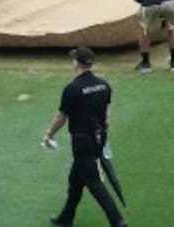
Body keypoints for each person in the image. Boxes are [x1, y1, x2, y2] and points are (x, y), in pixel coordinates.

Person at [43, 47, 127, 227]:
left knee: (94, 182)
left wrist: (49, 134)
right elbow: (106, 112)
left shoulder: (72, 89)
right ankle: (66, 218)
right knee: (76, 179)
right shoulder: (104, 85)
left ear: (76, 63)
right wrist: (103, 133)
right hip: (98, 137)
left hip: (82, 142)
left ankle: (117, 221)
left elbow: (61, 117)